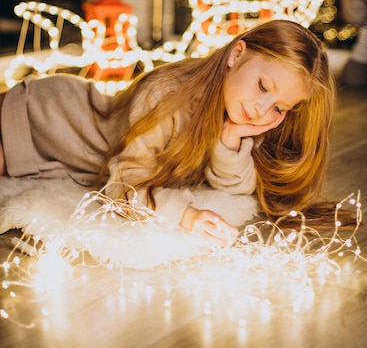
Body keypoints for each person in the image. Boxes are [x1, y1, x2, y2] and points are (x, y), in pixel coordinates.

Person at [0, 20, 335, 244]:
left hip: (65, 154)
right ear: (236, 55)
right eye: (263, 86)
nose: (263, 109)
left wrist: (230, 137)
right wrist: (185, 215)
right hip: (44, 116)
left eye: (280, 107)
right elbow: (126, 182)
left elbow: (238, 188)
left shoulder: (243, 112)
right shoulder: (166, 95)